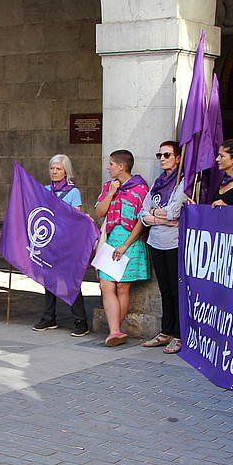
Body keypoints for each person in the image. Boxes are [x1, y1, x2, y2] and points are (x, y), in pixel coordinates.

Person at [94, 149, 149, 347]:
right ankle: (115, 331)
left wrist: (126, 245)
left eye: (111, 164)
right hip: (111, 239)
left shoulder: (141, 189)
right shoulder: (109, 186)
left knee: (122, 287)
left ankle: (115, 330)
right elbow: (100, 212)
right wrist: (111, 193)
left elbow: (142, 220)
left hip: (131, 240)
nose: (108, 167)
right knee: (105, 284)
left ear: (121, 166)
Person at [32, 154, 90, 337]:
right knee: (49, 280)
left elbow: (77, 217)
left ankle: (80, 320)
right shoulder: (45, 190)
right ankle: (49, 317)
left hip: (67, 243)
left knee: (70, 281)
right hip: (49, 242)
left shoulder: (73, 192)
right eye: (52, 168)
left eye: (58, 169)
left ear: (66, 171)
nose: (55, 172)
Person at [139, 141, 187, 353]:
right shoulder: (158, 182)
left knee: (176, 289)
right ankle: (165, 330)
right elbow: (143, 213)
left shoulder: (182, 181)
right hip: (156, 242)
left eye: (167, 155)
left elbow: (174, 212)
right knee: (164, 289)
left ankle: (178, 334)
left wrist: (158, 216)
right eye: (160, 155)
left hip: (173, 242)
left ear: (178, 158)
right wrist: (160, 219)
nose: (163, 159)